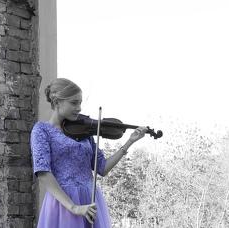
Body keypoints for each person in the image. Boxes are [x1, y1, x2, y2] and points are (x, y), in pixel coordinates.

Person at [30, 78, 147, 227]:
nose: (79, 108)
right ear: (57, 101)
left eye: (80, 103)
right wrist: (74, 207)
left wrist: (129, 142)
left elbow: (103, 168)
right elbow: (43, 173)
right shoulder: (41, 130)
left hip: (90, 200)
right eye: (74, 103)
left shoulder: (84, 132)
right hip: (64, 204)